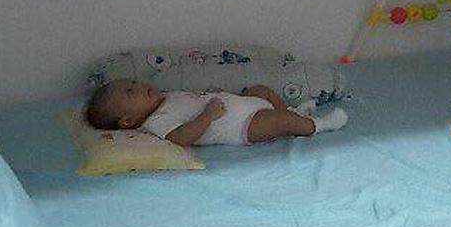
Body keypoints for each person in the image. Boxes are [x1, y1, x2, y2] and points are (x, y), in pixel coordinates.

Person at [85, 79, 347, 147]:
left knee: (261, 90)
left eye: (133, 83)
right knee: (281, 122)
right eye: (131, 93)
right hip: (243, 126)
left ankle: (295, 112)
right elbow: (180, 138)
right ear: (128, 120)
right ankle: (317, 125)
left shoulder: (165, 98)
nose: (140, 86)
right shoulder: (156, 122)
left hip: (244, 104)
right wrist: (207, 117)